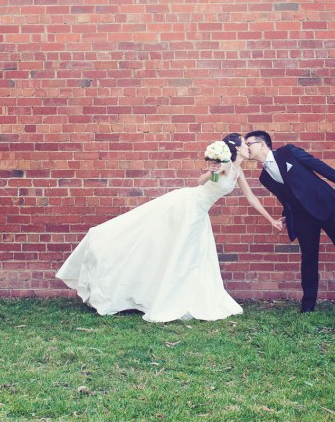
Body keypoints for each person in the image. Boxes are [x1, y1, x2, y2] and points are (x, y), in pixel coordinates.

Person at [56, 134, 283, 322]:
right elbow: (200, 182)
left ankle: (183, 296)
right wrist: (213, 170)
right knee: (167, 246)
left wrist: (271, 219)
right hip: (186, 206)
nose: (248, 147)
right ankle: (152, 292)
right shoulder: (224, 166)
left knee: (190, 255)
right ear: (236, 148)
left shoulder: (238, 172)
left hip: (199, 213)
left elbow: (251, 197)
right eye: (244, 143)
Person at [244, 130, 335, 316]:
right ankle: (308, 305)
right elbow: (286, 197)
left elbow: (317, 165)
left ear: (262, 144)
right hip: (302, 216)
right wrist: (287, 215)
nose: (246, 147)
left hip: (326, 206)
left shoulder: (288, 152)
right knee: (309, 259)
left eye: (249, 144)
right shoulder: (264, 178)